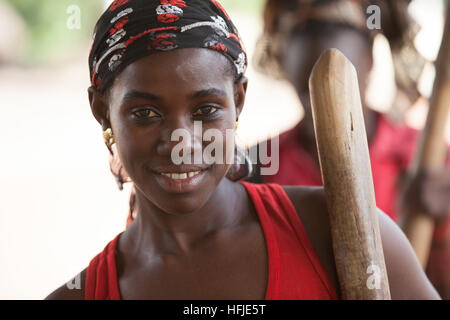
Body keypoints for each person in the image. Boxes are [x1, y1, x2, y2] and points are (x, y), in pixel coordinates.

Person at [45, 0, 440, 300]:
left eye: (205, 110)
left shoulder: (344, 233)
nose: (181, 142)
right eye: (145, 113)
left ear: (239, 99)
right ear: (102, 112)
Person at [251, 0, 450, 297]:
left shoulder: (425, 160)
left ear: (369, 60)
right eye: (310, 91)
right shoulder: (258, 166)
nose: (325, 106)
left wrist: (444, 229)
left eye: (340, 87)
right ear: (284, 63)